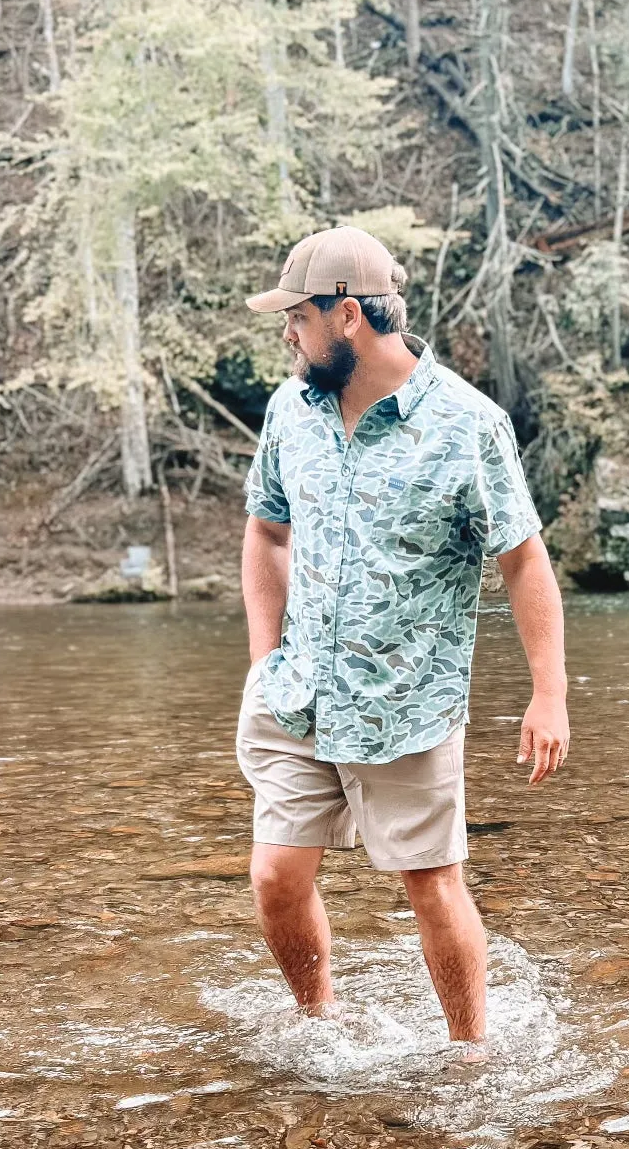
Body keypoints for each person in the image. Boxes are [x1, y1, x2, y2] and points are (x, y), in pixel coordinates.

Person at [237, 224, 569, 1048]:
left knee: (432, 886)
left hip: (406, 704)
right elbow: (266, 532)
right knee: (277, 875)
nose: (288, 332)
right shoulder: (291, 409)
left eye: (298, 317)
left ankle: (469, 1053)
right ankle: (319, 1022)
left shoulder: (468, 425)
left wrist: (549, 692)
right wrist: (263, 657)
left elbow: (524, 561)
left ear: (347, 315)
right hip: (298, 691)